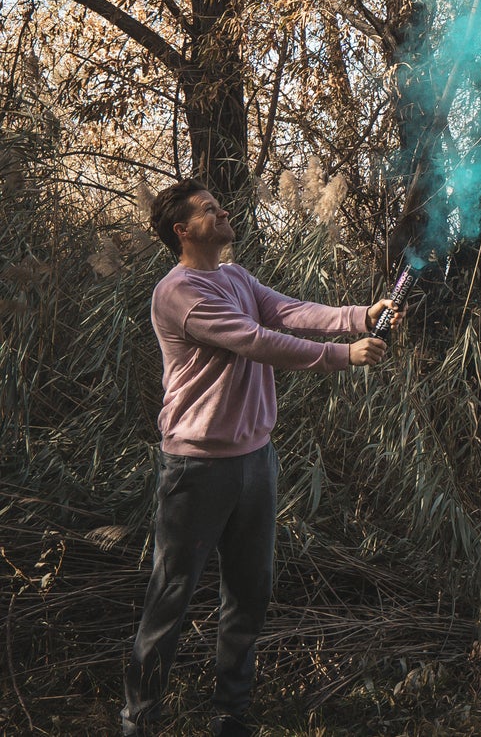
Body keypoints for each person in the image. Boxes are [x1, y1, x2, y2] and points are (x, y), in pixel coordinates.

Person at [121, 178, 397, 737]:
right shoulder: (179, 293)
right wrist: (344, 355)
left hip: (255, 461)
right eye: (208, 209)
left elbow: (287, 311)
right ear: (183, 230)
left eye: (218, 204)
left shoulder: (234, 275)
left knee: (249, 592)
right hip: (196, 469)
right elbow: (257, 339)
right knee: (170, 594)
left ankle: (231, 715)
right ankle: (140, 718)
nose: (221, 212)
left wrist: (360, 316)